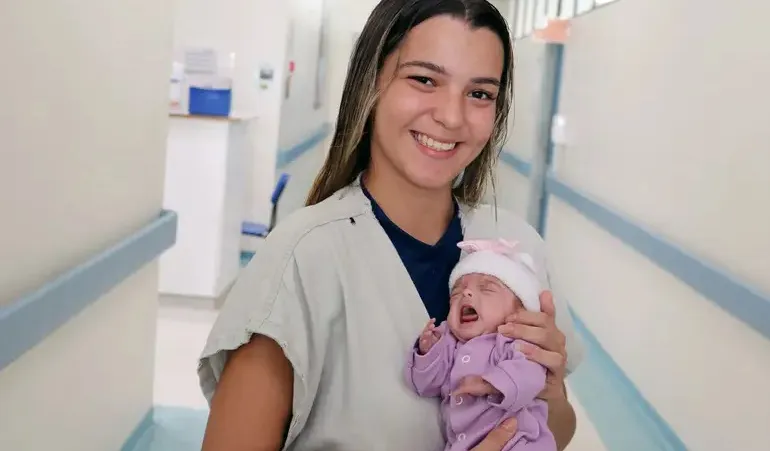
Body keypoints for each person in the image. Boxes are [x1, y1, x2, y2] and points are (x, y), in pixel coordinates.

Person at [197, 1, 584, 450]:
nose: (452, 117)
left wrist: (550, 390)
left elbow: (557, 428)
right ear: (371, 83)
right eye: (424, 80)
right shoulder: (301, 259)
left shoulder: (518, 248)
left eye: (480, 93)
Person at [406, 239, 556, 451]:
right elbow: (425, 385)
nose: (465, 294)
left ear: (518, 313)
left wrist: (491, 384)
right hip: (463, 444)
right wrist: (428, 351)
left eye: (486, 289)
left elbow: (530, 374)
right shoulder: (449, 343)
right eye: (456, 293)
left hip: (519, 440)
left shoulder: (511, 341)